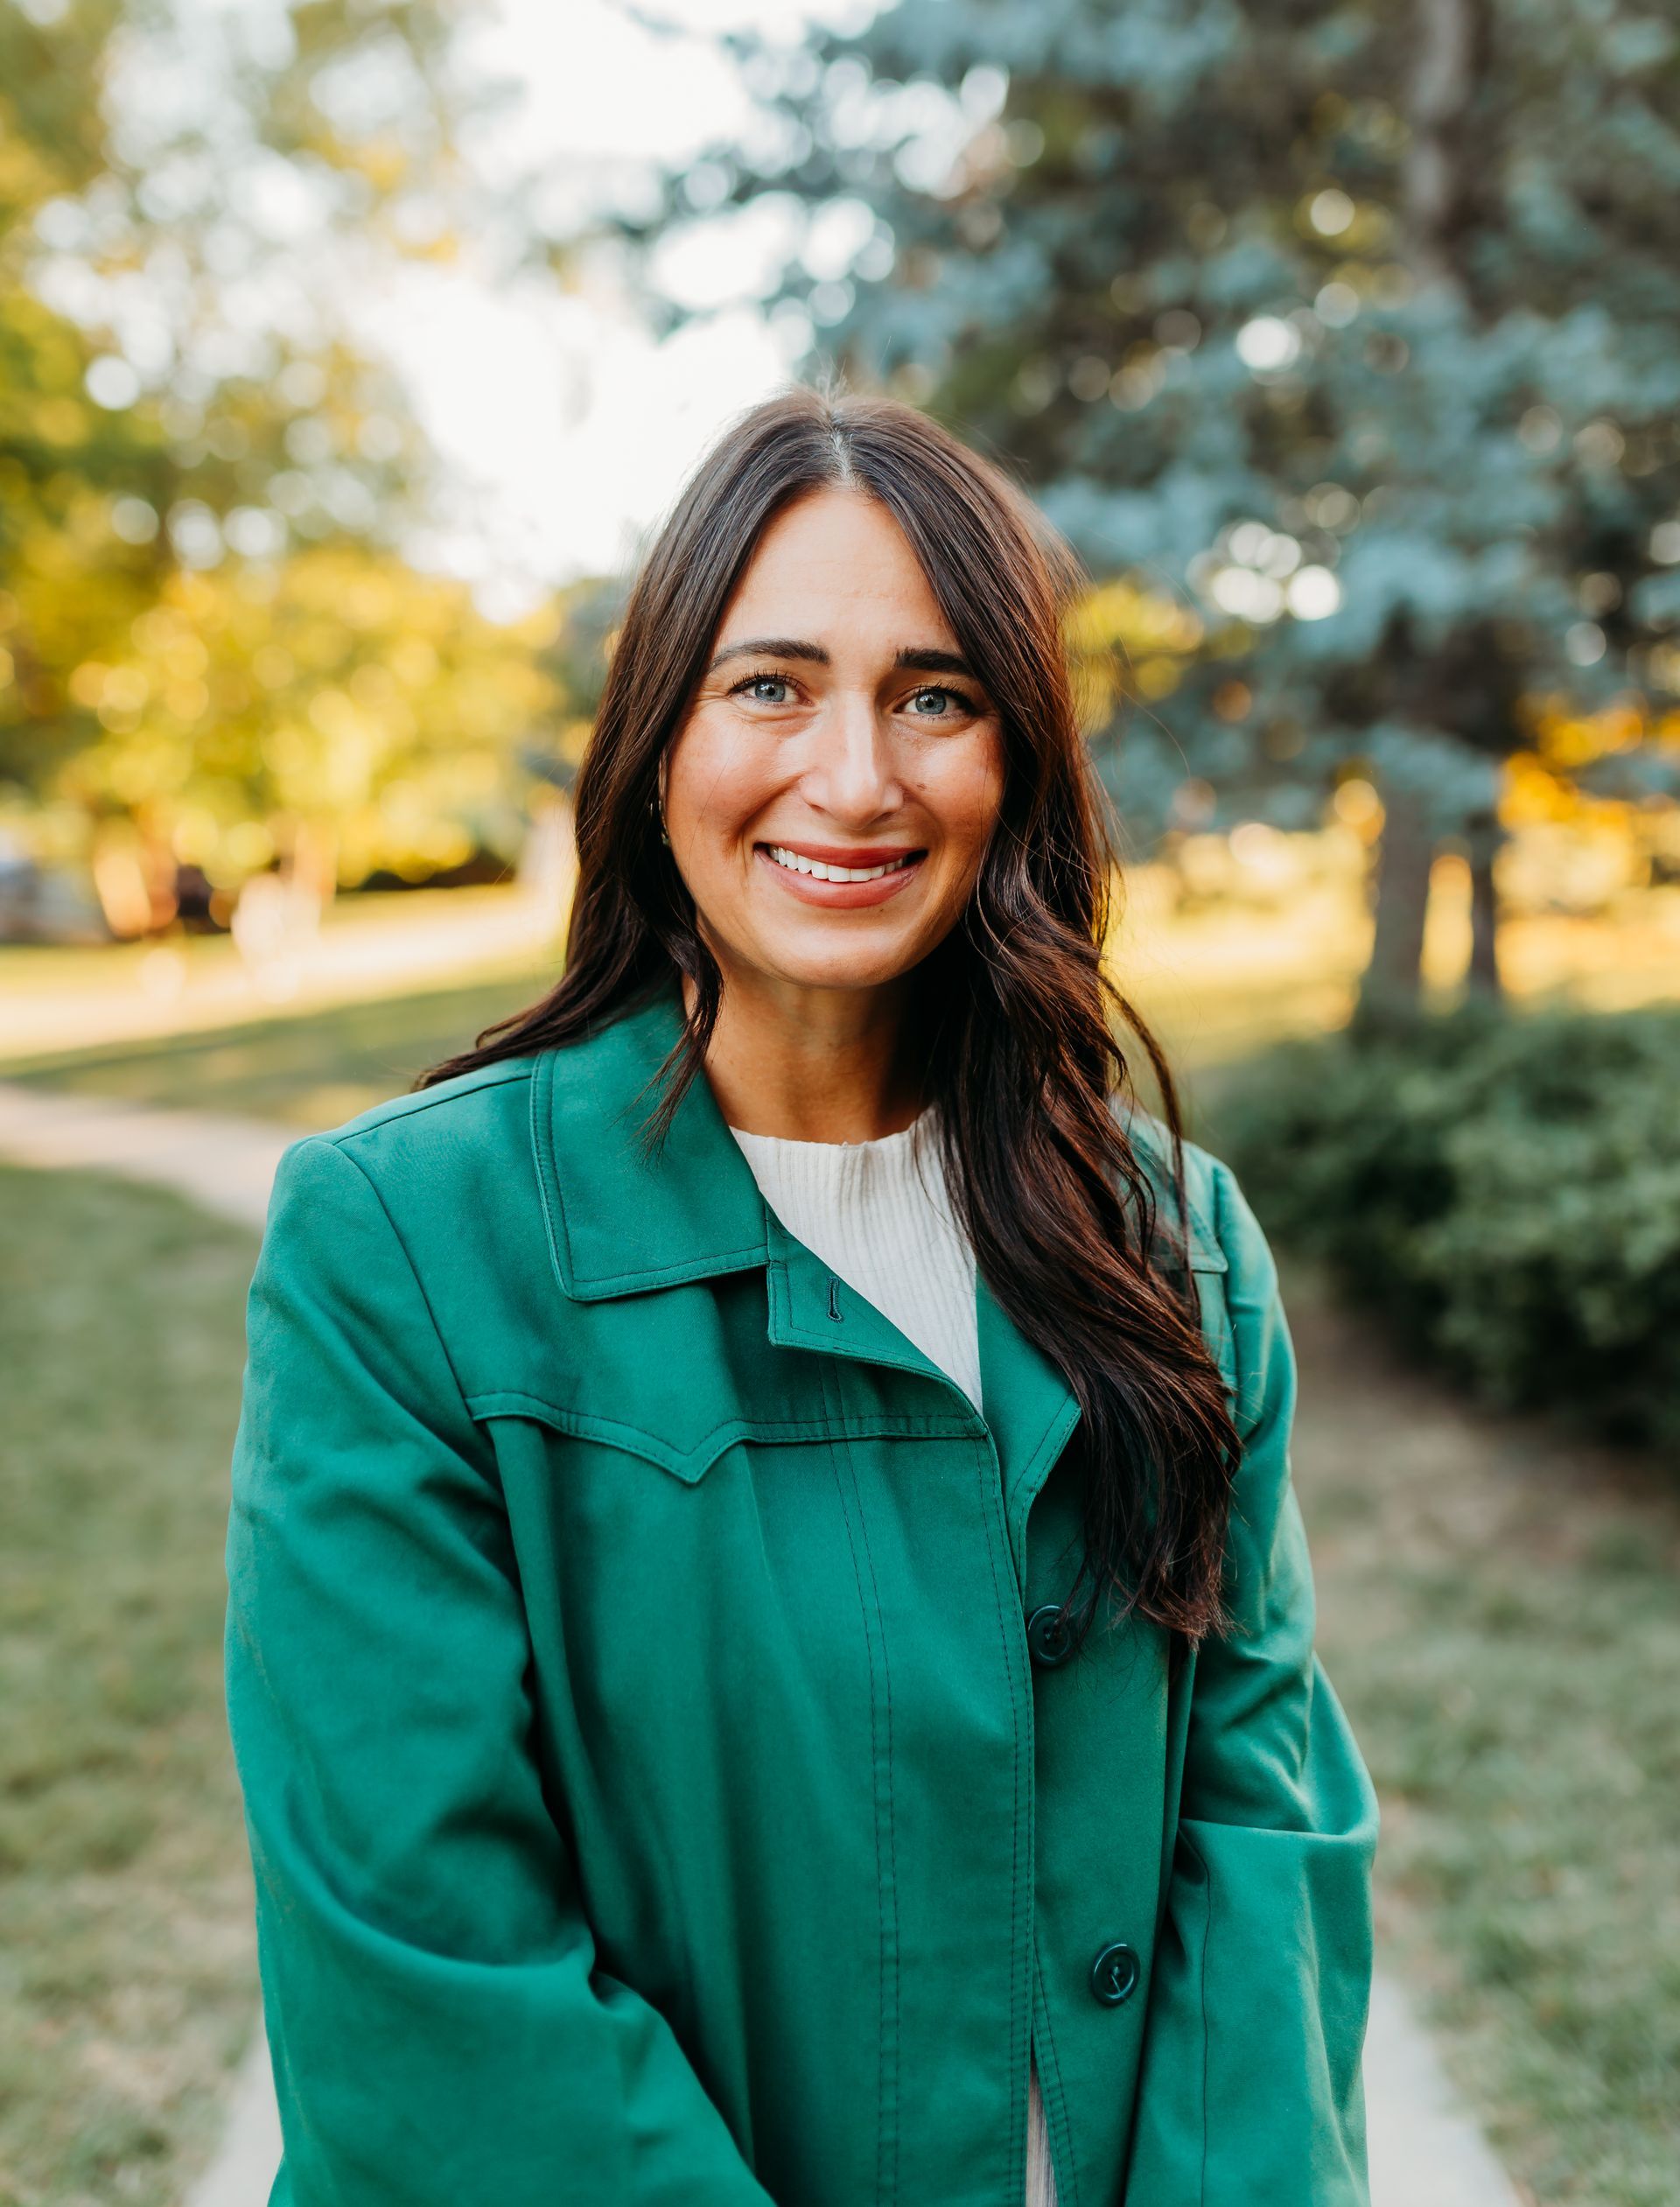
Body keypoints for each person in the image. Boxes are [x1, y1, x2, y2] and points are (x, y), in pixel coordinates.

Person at [226, 386, 1378, 2206]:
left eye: (935, 696)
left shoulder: (1176, 1243)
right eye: (771, 685)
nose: (855, 777)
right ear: (659, 741)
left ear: (1017, 761)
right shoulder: (405, 1243)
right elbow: (419, 1948)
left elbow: (1263, 1820)